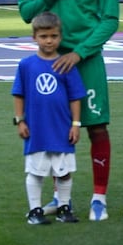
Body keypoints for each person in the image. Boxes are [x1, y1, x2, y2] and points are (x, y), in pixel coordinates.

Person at [18, 0, 120, 222]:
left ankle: (99, 198)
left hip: (85, 61)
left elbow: (110, 19)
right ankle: (61, 199)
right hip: (49, 64)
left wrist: (79, 52)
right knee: (53, 130)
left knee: (97, 127)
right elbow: (26, 12)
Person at [13, 12, 85, 225]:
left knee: (64, 171)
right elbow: (19, 94)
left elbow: (75, 97)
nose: (49, 40)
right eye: (44, 36)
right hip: (36, 129)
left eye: (53, 36)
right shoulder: (26, 65)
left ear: (60, 37)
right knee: (36, 170)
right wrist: (20, 120)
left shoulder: (66, 64)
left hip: (62, 128)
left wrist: (75, 124)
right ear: (34, 37)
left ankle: (64, 207)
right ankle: (35, 210)